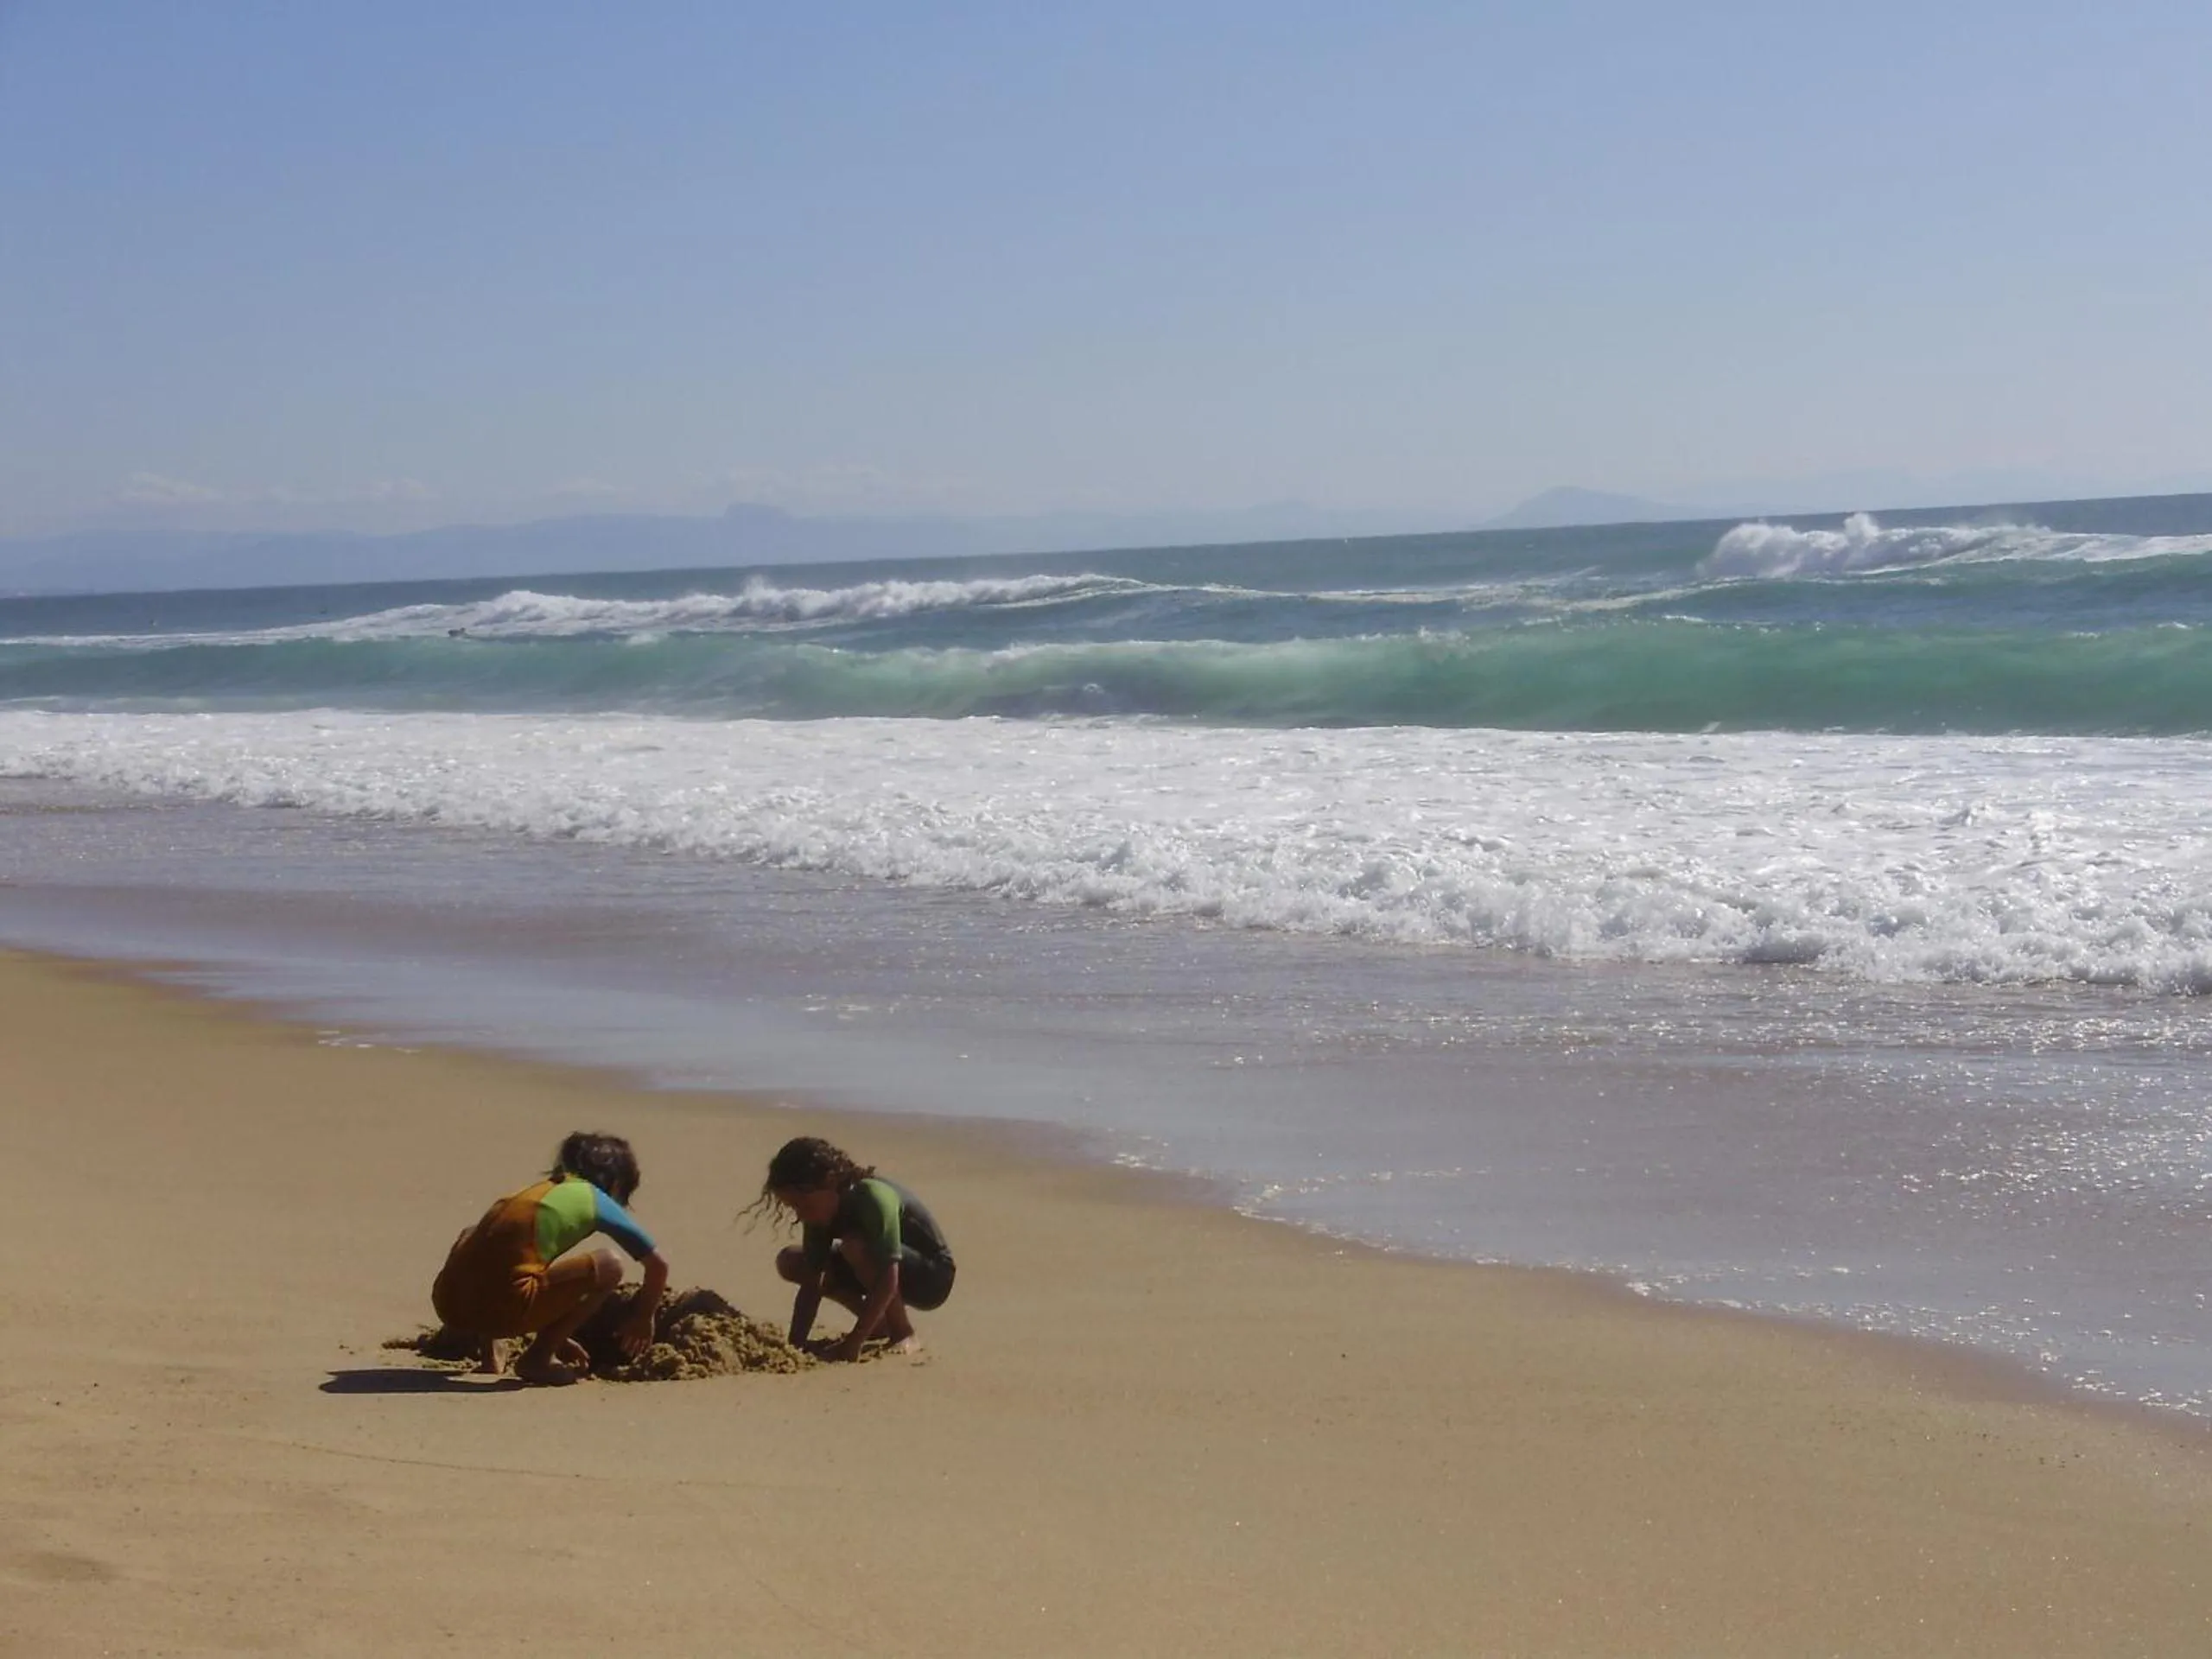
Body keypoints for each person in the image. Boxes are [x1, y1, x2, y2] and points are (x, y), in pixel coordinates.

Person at [431, 1131, 669, 1384]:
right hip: (503, 1310)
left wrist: (554, 1327)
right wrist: (643, 1317)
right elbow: (658, 1266)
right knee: (610, 1264)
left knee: (486, 1241)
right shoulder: (595, 1198)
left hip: (449, 1305)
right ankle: (539, 1357)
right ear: (616, 1184)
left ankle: (490, 1355)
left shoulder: (533, 1193)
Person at [750, 1135, 955, 1360]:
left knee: (855, 1247)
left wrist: (853, 1343)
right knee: (792, 1261)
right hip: (876, 1265)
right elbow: (812, 1282)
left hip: (931, 1276)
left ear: (829, 1181)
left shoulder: (872, 1197)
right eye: (794, 1207)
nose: (800, 1214)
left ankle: (902, 1332)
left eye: (803, 1204)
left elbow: (888, 1278)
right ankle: (878, 1325)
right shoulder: (819, 1215)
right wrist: (795, 1344)